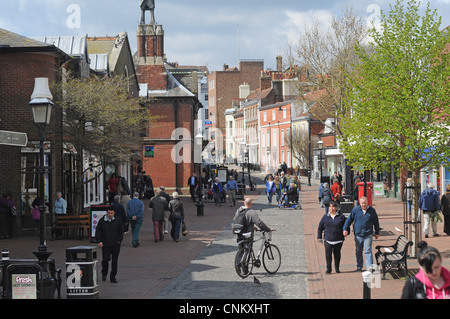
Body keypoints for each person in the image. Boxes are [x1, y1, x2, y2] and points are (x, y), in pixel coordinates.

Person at [343, 196, 380, 271]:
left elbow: (376, 222)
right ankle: (359, 266)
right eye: (362, 203)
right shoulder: (355, 210)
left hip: (368, 234)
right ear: (360, 203)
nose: (364, 205)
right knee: (358, 250)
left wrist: (377, 232)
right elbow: (349, 220)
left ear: (367, 203)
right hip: (358, 234)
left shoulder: (372, 211)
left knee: (368, 250)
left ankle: (369, 267)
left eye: (365, 203)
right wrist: (345, 229)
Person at [95, 206, 123, 283]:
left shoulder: (117, 220)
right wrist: (99, 241)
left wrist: (119, 241)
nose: (110, 214)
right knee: (105, 260)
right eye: (108, 213)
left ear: (114, 213)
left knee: (114, 261)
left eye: (111, 213)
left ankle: (113, 277)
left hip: (115, 244)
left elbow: (121, 231)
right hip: (105, 244)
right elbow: (98, 231)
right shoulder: (102, 221)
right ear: (106, 213)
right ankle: (104, 273)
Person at [317, 201, 346, 274]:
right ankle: (328, 268)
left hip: (338, 239)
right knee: (328, 254)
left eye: (333, 207)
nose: (331, 208)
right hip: (328, 239)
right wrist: (319, 236)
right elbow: (320, 227)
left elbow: (346, 225)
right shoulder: (325, 217)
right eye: (330, 207)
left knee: (337, 254)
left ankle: (337, 268)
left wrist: (346, 231)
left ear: (336, 208)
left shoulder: (341, 217)